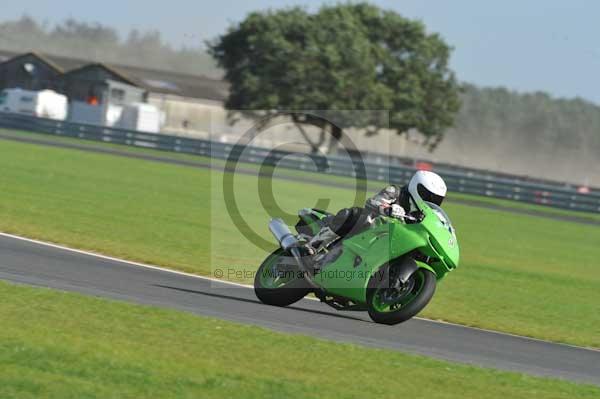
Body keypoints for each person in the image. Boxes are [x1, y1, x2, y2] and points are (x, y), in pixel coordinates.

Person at [365, 170, 447, 221]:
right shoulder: (395, 192)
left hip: (406, 240)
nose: (431, 202)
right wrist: (388, 210)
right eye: (429, 197)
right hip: (380, 234)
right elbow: (371, 202)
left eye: (436, 199)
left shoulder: (430, 213)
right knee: (357, 213)